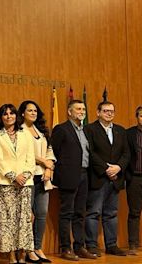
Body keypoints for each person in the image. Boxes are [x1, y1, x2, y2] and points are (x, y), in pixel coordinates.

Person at [51, 99, 97, 261]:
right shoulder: (61, 129)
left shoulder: (85, 130)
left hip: (84, 175)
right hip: (68, 176)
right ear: (69, 112)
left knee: (80, 213)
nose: (82, 111)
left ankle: (80, 246)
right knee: (67, 213)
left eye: (83, 109)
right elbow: (53, 152)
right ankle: (66, 248)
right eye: (78, 109)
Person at [0, 103, 35, 264]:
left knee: (24, 219)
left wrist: (25, 175)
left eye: (11, 113)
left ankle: (22, 253)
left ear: (16, 116)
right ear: (1, 117)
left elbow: (31, 158)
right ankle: (10, 254)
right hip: (6, 183)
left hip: (25, 182)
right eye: (5, 114)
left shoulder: (26, 134)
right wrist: (13, 176)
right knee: (7, 220)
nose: (9, 116)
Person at [84, 101, 130, 257]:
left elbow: (126, 154)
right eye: (105, 111)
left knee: (111, 213)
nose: (109, 113)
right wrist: (106, 169)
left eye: (112, 111)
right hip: (98, 177)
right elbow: (90, 152)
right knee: (93, 213)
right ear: (98, 112)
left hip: (116, 178)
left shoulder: (120, 130)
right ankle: (91, 245)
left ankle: (111, 245)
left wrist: (118, 167)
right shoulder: (89, 129)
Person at [18, 100, 55, 263]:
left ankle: (38, 247)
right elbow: (21, 153)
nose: (33, 113)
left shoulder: (41, 131)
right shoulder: (19, 131)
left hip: (43, 178)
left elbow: (50, 151)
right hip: (28, 177)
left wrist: (49, 168)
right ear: (22, 113)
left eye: (35, 111)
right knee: (28, 216)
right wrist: (42, 161)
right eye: (29, 110)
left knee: (41, 214)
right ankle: (28, 249)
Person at [126, 105, 142, 255]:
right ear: (137, 117)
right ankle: (133, 244)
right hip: (135, 178)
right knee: (134, 212)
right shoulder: (129, 133)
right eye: (141, 115)